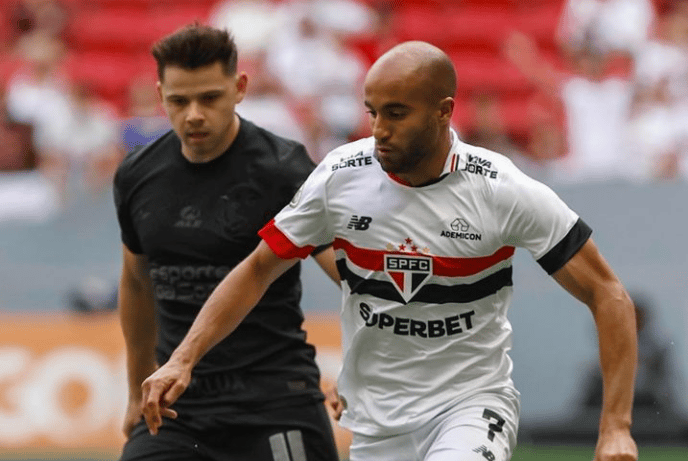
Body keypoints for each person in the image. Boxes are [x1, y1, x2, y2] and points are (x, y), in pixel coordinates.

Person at [140, 41, 639, 461]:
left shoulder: (501, 189)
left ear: (444, 111)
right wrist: (182, 359)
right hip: (378, 423)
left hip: (470, 406)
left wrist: (615, 424)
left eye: (396, 113)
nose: (379, 128)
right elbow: (257, 269)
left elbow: (608, 293)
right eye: (373, 112)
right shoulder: (341, 175)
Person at [113, 24, 340, 461]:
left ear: (239, 88)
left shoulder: (285, 169)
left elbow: (349, 275)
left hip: (276, 400)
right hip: (179, 408)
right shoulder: (136, 174)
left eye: (210, 98)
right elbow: (137, 282)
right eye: (179, 101)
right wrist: (133, 389)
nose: (194, 114)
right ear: (160, 95)